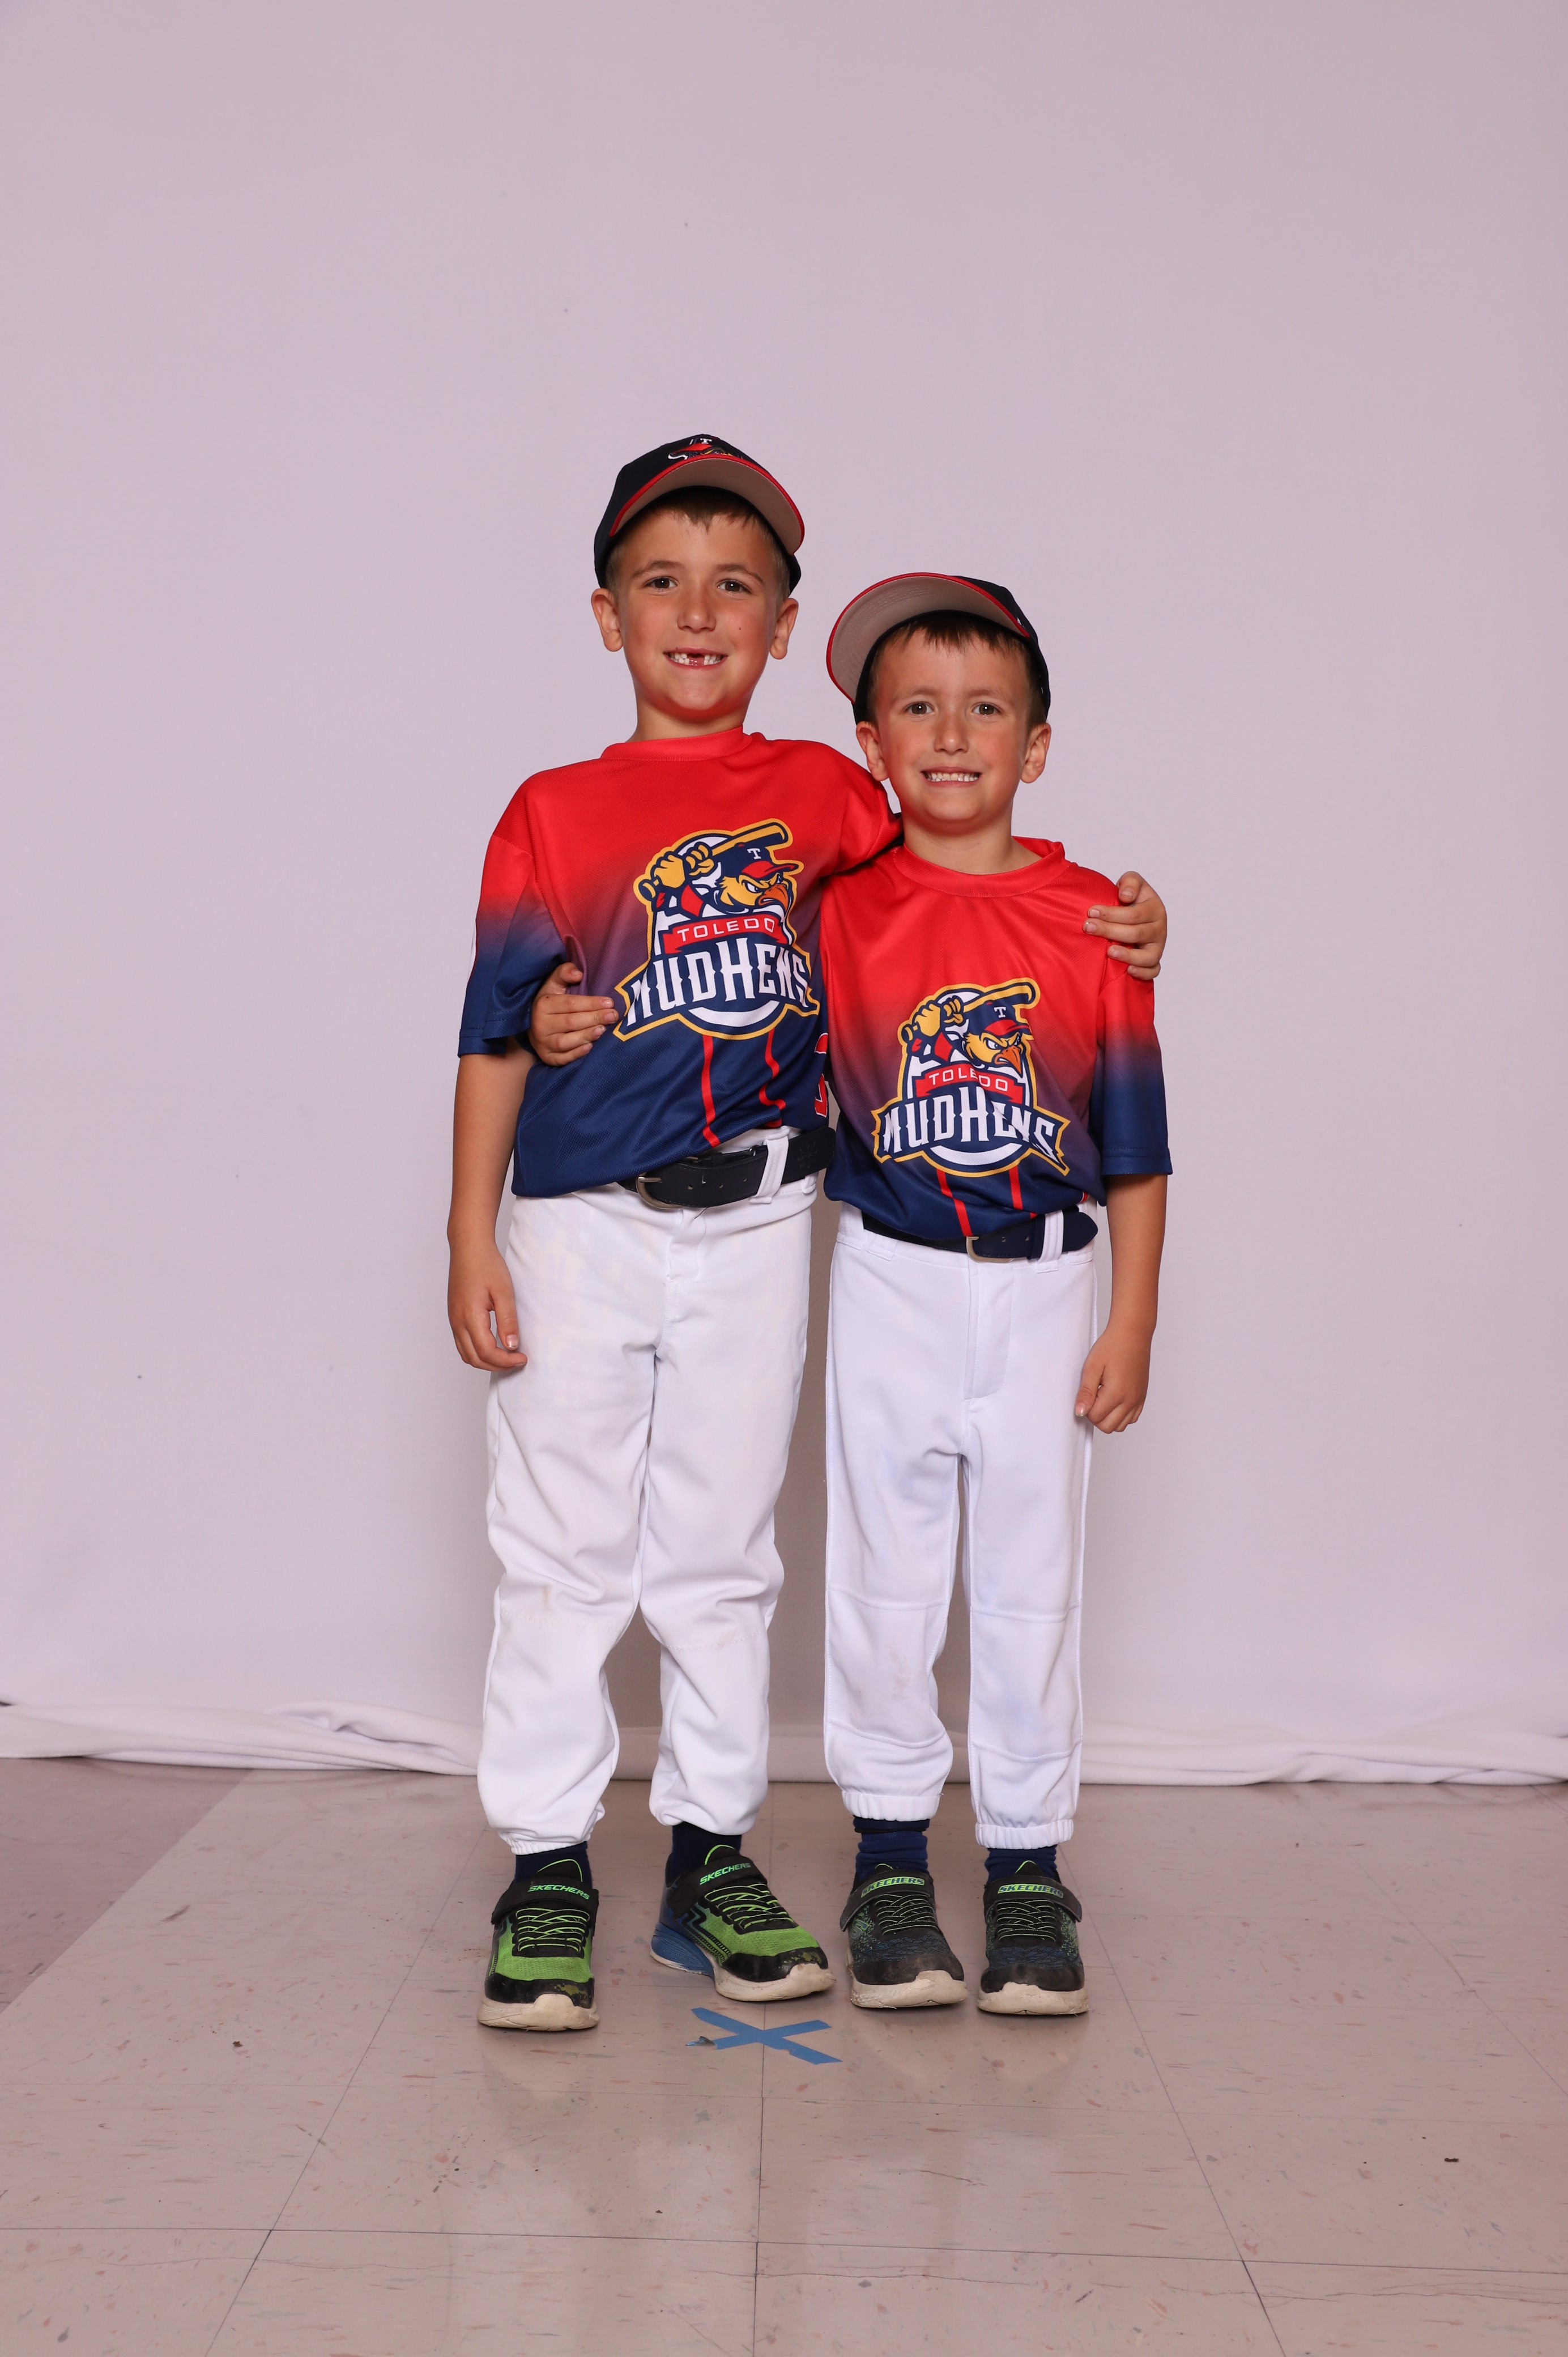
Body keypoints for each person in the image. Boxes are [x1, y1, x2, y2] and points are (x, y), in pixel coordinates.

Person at [448, 441, 1168, 2031]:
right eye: (661, 582)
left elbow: (961, 899)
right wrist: (467, 1234)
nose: (697, 612)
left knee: (719, 1550)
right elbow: (497, 1030)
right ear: (606, 615)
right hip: (576, 1218)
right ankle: (546, 1862)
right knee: (559, 1550)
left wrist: (1121, 925)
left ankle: (709, 1851)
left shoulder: (830, 795)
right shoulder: (551, 811)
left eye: (735, 586)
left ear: (781, 628)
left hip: (767, 1211)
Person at [816, 574, 1171, 2016]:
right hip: (889, 1274)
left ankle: (1027, 1858)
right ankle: (889, 1856)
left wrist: (1131, 1318)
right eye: (918, 707)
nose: (952, 735)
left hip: (1046, 1282)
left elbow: (1135, 1142)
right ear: (871, 744)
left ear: (1036, 744)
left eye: (985, 709)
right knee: (884, 1576)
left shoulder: (1096, 920)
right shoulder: (837, 909)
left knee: (1029, 1582)